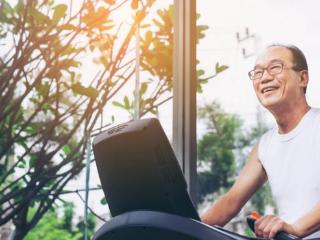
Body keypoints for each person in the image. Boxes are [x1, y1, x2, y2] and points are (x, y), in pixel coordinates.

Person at [201, 44, 320, 239]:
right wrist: (184, 230)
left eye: (275, 68)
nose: (264, 77)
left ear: (302, 78)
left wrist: (297, 229)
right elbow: (231, 201)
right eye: (257, 72)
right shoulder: (265, 146)